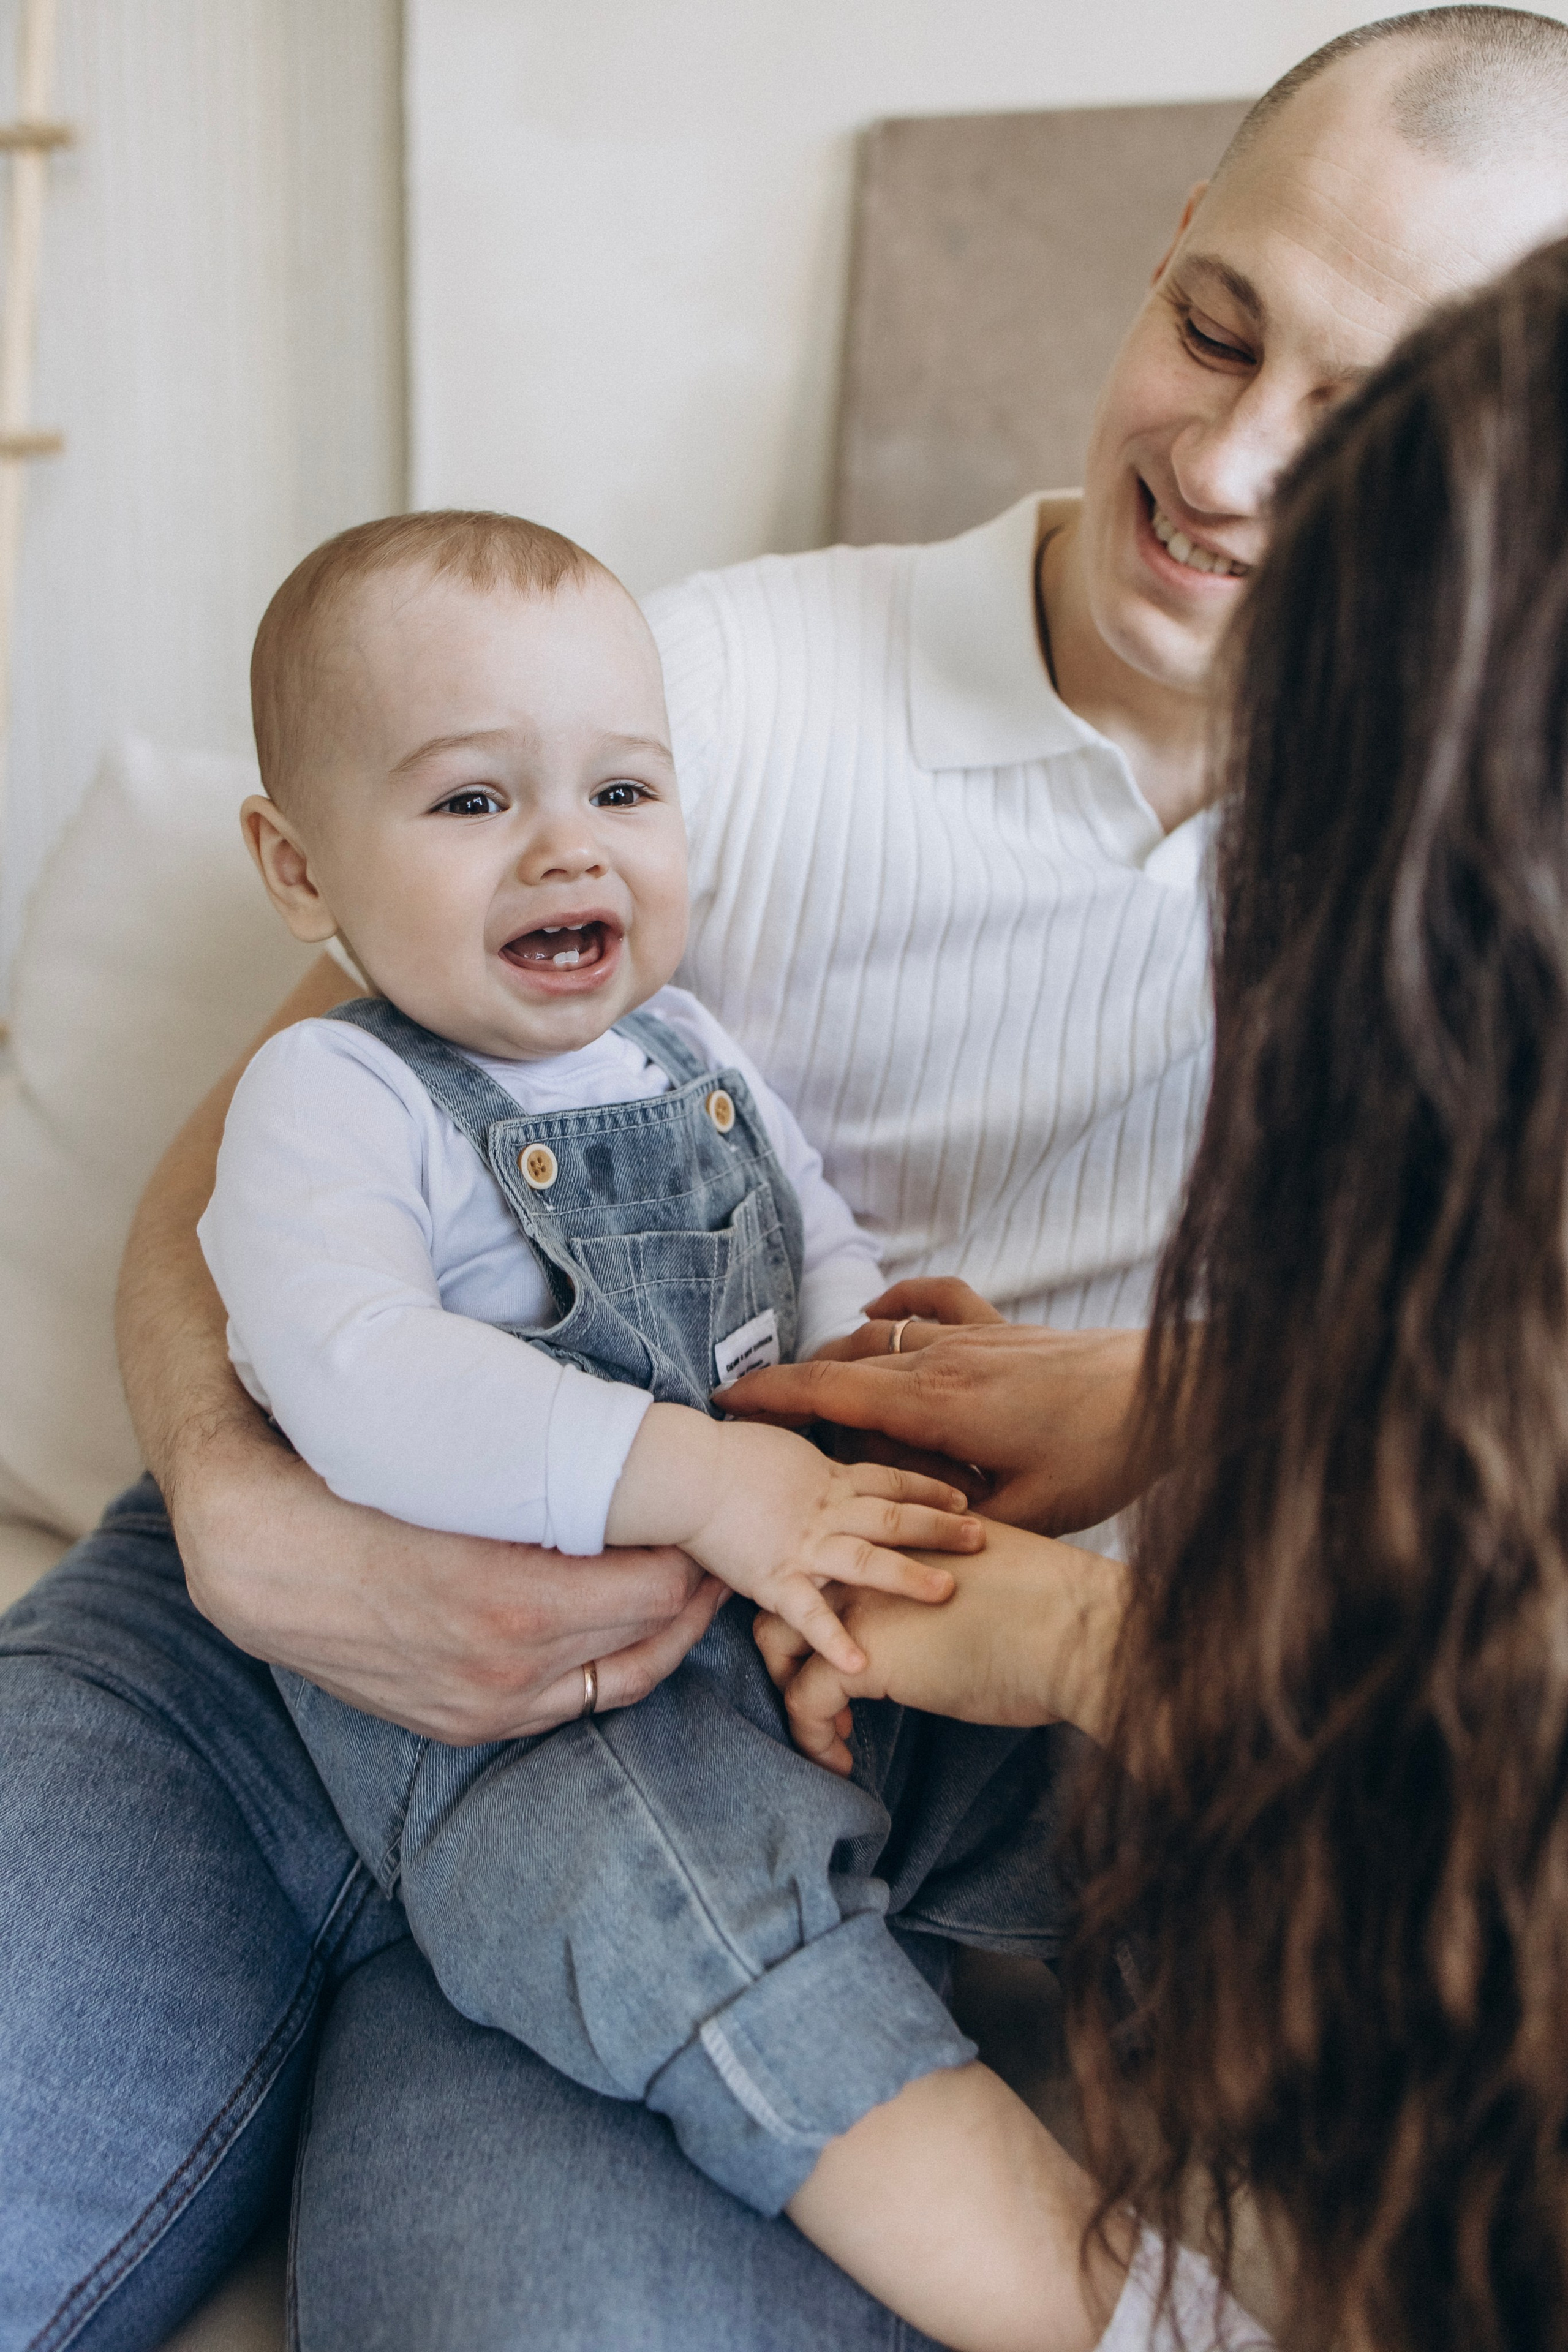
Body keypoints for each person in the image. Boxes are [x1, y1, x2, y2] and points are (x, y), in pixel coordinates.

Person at [3, 11, 1567, 2348]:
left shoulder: (1482, 876)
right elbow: (279, 1120)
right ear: (1162, 258)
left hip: (763, 1746)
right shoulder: (689, 704)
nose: (1232, 467)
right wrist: (253, 1520)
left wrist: (1147, 1413)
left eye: (1354, 415)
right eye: (1216, 328)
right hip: (250, 1659)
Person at [747, 226, 1568, 2352]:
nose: (1225, 471)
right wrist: (1202, 1386)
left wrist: (1114, 1644)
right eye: (1212, 327)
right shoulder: (741, 675)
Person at [202, 505, 1120, 2352]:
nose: (569, 846)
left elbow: (808, 1245)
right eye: (474, 803)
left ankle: (1370, 2119)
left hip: (794, 1624)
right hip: (545, 1729)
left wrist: (893, 1369)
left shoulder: (694, 1047)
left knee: (1129, 1811)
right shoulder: (333, 1091)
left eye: (626, 793)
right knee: (727, 1946)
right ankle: (1118, 2305)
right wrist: (703, 1479)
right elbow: (359, 1370)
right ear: (298, 871)